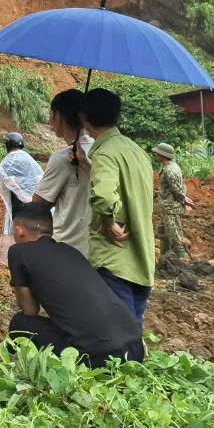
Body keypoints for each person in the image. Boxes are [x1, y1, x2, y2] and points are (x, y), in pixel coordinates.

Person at [6, 205, 144, 367]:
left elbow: (30, 310)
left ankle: (13, 367)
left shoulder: (18, 252)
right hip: (136, 350)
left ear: (19, 230)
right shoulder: (70, 251)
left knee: (20, 323)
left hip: (102, 359)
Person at [80, 88, 155, 324]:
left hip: (115, 260)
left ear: (83, 118)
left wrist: (109, 223)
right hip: (141, 257)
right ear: (119, 117)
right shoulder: (136, 151)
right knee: (133, 328)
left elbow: (103, 197)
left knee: (119, 332)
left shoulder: (105, 153)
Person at [32, 90, 94, 256]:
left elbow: (39, 204)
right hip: (99, 251)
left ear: (57, 116)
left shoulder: (61, 158)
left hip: (70, 250)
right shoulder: (101, 150)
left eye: (51, 115)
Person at [0, 132, 43, 264]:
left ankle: (15, 262)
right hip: (34, 206)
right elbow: (40, 179)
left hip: (16, 208)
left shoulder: (8, 161)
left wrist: (21, 195)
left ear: (7, 145)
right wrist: (31, 199)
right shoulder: (30, 160)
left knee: (15, 235)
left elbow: (2, 179)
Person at [152, 143, 194, 259]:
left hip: (172, 208)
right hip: (167, 207)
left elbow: (177, 189)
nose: (155, 154)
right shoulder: (167, 167)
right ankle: (165, 259)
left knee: (175, 236)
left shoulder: (170, 170)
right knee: (163, 233)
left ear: (163, 155)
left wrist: (184, 199)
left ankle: (180, 262)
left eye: (157, 153)